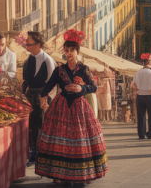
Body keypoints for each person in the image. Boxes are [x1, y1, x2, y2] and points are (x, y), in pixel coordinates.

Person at [37, 29, 107, 187]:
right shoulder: (59, 69)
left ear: (78, 52)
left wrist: (82, 89)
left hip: (80, 108)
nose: (68, 53)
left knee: (79, 140)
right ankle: (62, 175)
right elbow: (48, 86)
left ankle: (81, 174)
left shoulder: (84, 69)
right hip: (61, 107)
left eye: (71, 50)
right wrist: (44, 97)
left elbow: (94, 87)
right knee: (61, 140)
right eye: (66, 50)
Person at [21, 31, 56, 166]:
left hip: (42, 97)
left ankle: (41, 154)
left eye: (29, 44)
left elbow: (52, 82)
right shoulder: (28, 60)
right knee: (31, 125)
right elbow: (26, 81)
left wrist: (46, 100)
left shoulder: (48, 60)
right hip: (30, 97)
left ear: (38, 44)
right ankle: (33, 152)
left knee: (41, 125)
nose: (27, 46)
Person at [132, 54, 151, 139]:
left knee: (141, 115)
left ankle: (141, 134)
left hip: (140, 95)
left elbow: (134, 85)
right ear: (149, 62)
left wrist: (135, 95)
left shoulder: (137, 73)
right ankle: (150, 133)